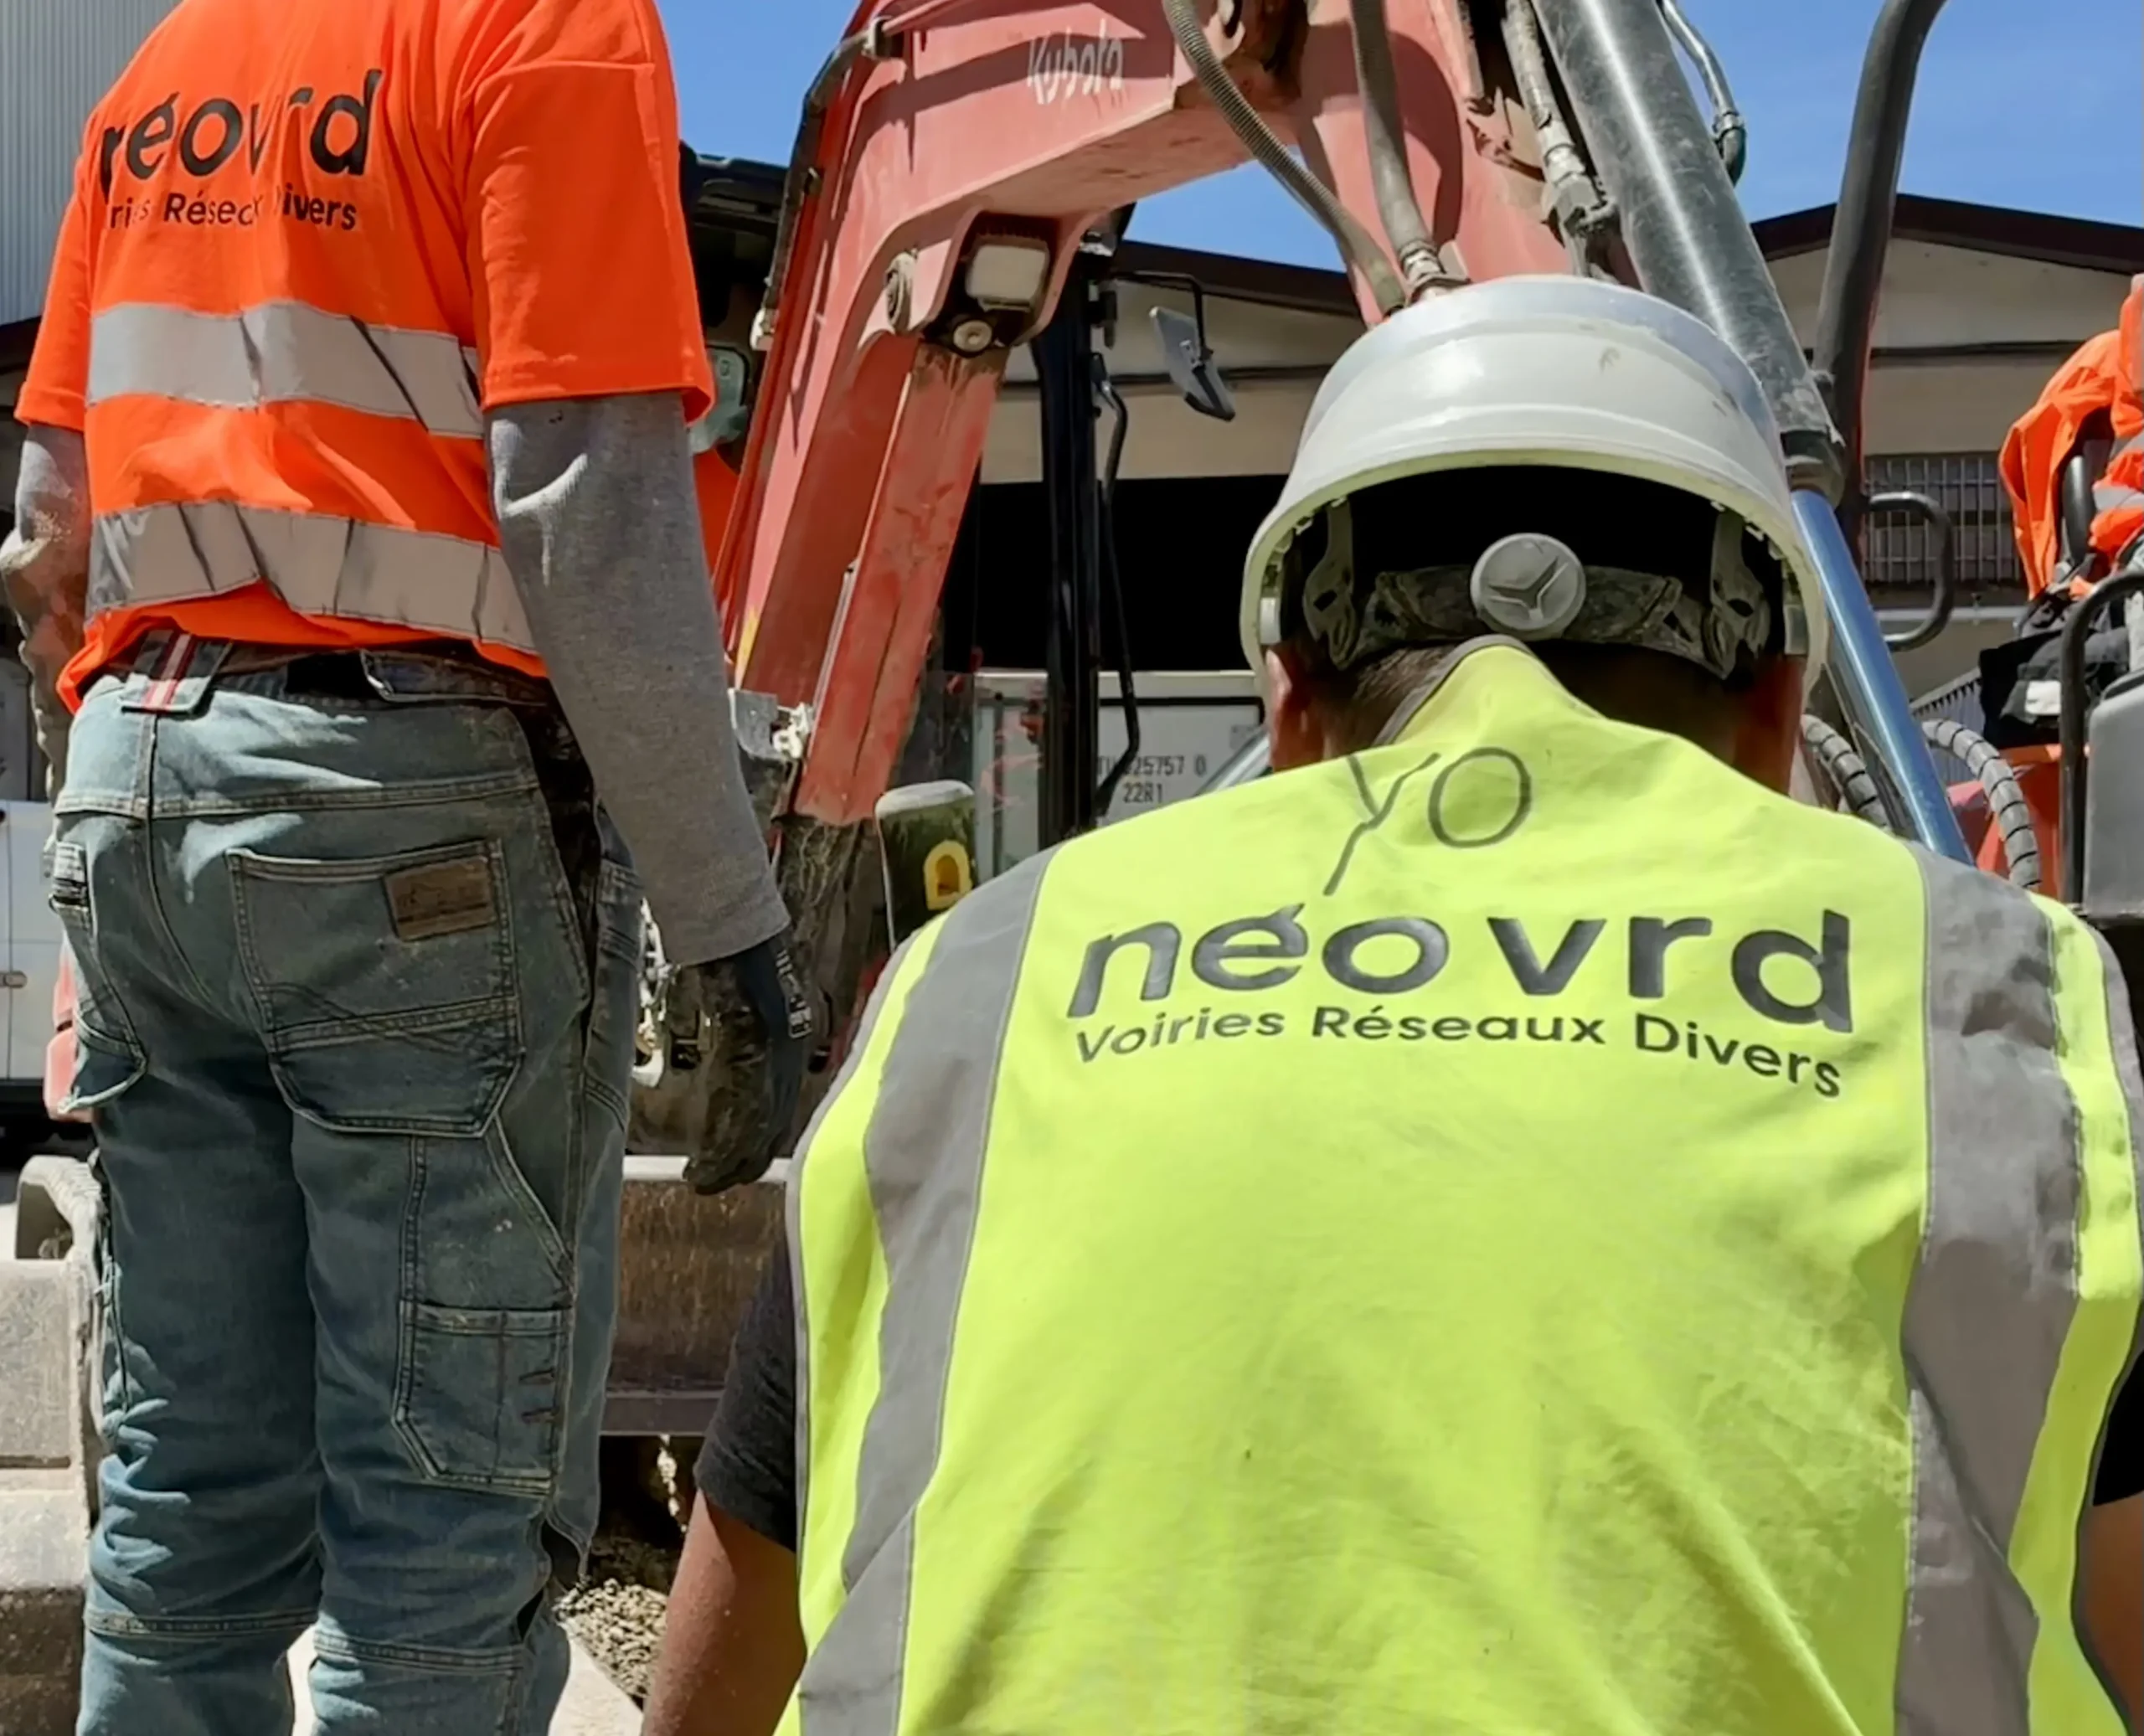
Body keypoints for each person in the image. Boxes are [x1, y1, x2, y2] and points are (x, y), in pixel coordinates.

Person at [644, 275, 2144, 1736]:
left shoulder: (982, 983)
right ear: (1772, 713)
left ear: (1290, 699)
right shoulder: (2010, 1009)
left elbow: (721, 1677)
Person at [0, 0, 812, 1728]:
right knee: (438, 1522)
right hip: (410, 810)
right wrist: (731, 923)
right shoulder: (546, 28)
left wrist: (148, 774)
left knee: (187, 1503)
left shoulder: (165, 73)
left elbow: (50, 522)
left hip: (142, 770)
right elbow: (585, 498)